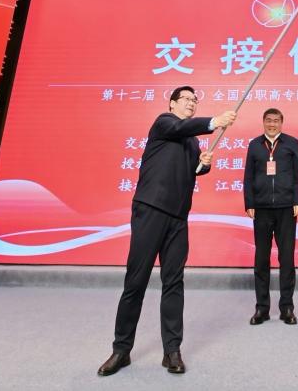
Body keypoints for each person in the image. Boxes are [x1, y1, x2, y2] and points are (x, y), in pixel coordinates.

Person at [98, 86, 236, 377]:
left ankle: (172, 350)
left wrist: (203, 166)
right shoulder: (164, 123)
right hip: (151, 209)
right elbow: (179, 128)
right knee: (136, 281)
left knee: (174, 282)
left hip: (178, 217)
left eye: (194, 100)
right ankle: (121, 349)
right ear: (172, 104)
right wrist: (215, 121)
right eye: (186, 99)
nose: (191, 103)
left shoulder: (192, 142)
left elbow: (188, 171)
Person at [243, 108, 298, 326]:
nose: (272, 124)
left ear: (281, 122)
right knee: (261, 259)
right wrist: (249, 203)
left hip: (287, 208)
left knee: (286, 259)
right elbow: (248, 176)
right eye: (268, 120)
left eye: (276, 121)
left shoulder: (291, 143)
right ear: (263, 122)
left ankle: (287, 307)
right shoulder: (254, 145)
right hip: (261, 209)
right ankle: (262, 308)